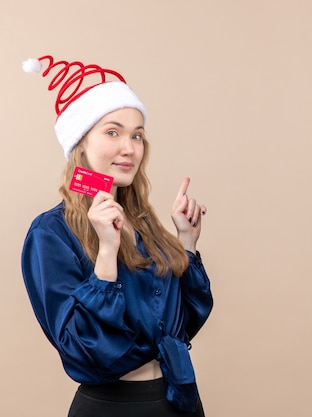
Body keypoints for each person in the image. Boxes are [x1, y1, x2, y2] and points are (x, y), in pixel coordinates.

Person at [21, 55, 214, 417]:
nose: (130, 147)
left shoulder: (145, 224)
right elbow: (81, 348)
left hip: (178, 402)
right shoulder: (51, 233)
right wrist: (107, 253)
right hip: (112, 408)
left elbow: (183, 327)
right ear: (81, 143)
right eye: (113, 132)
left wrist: (186, 244)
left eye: (137, 135)